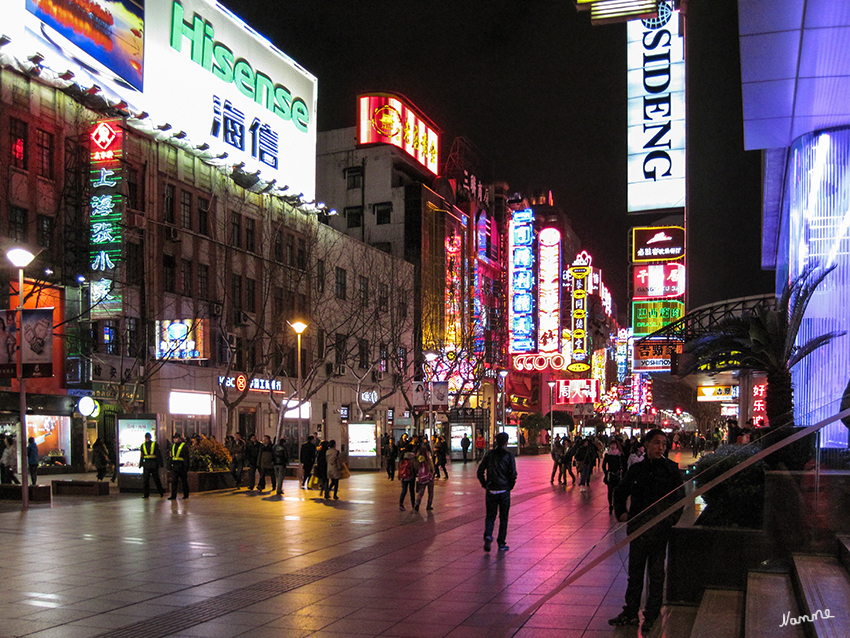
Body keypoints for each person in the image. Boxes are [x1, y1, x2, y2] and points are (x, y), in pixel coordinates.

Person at [609, 429, 686, 633]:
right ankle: (631, 612)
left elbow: (679, 500)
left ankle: (651, 614)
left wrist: (668, 521)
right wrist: (622, 513)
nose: (660, 447)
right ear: (647, 444)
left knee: (656, 574)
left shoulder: (671, 470)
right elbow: (621, 491)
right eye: (656, 443)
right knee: (635, 574)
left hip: (659, 532)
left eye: (663, 444)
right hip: (638, 530)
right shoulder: (637, 470)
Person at [478, 432, 517, 552]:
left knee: (490, 515)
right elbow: (513, 474)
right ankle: (501, 543)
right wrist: (510, 485)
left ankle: (488, 535)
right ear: (506, 442)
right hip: (504, 490)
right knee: (503, 517)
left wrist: (485, 484)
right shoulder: (509, 456)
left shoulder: (489, 454)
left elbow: (480, 471)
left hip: (491, 489)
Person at [602, 439, 626, 514]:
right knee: (610, 491)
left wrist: (622, 471)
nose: (613, 446)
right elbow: (603, 465)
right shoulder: (608, 454)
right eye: (611, 445)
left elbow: (624, 464)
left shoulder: (619, 455)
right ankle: (610, 505)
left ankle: (615, 503)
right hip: (610, 474)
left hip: (618, 474)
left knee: (617, 490)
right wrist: (606, 472)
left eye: (614, 444)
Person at [140, 432, 165, 498]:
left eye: (147, 437)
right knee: (147, 480)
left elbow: (158, 455)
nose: (147, 438)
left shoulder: (153, 444)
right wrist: (141, 463)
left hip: (152, 464)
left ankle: (160, 492)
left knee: (155, 479)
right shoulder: (144, 445)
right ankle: (147, 494)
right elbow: (142, 456)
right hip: (150, 464)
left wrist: (160, 464)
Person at [413, 441, 435, 511]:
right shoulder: (427, 459)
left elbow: (415, 468)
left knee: (421, 492)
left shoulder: (417, 460)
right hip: (429, 478)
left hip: (421, 478)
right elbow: (432, 468)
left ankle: (417, 504)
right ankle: (429, 505)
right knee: (430, 492)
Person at [168, 433, 190, 500]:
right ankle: (173, 495)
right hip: (175, 466)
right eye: (174, 438)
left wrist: (186, 467)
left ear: (180, 438)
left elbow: (187, 457)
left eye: (176, 438)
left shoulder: (184, 446)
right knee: (174, 482)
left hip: (182, 466)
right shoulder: (173, 446)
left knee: (184, 481)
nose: (175, 439)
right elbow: (171, 456)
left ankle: (186, 494)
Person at [397, 440, 416, 511]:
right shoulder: (413, 457)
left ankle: (401, 504)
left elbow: (400, 466)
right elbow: (415, 466)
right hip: (411, 475)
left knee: (404, 490)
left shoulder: (402, 456)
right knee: (412, 490)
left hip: (403, 476)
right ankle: (413, 504)